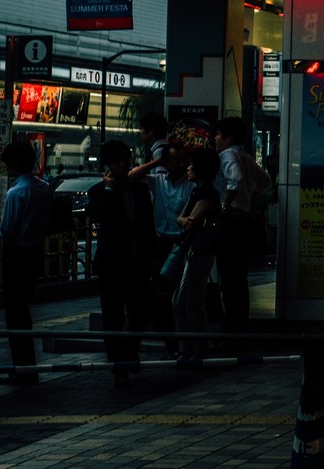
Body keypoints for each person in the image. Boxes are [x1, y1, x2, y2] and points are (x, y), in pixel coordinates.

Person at [87, 140, 157, 387]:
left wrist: (151, 257)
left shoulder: (139, 189)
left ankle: (129, 351)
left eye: (125, 159)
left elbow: (148, 225)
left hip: (136, 260)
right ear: (108, 163)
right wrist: (107, 190)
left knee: (139, 312)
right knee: (112, 314)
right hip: (112, 262)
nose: (123, 164)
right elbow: (99, 216)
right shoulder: (98, 191)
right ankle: (118, 363)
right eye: (117, 160)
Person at [0, 140, 53, 386]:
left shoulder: (16, 193)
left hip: (15, 255)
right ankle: (27, 366)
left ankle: (22, 368)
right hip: (35, 252)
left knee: (14, 313)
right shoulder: (44, 188)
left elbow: (7, 230)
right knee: (23, 310)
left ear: (15, 164)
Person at [136, 142, 192, 355]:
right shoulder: (158, 181)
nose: (177, 165)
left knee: (178, 294)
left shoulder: (190, 184)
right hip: (161, 241)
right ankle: (171, 340)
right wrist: (158, 161)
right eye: (172, 160)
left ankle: (183, 342)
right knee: (159, 294)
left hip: (181, 242)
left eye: (181, 160)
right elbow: (132, 176)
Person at [171, 147, 222, 361]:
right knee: (186, 300)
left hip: (198, 252)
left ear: (200, 168)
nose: (188, 167)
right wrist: (183, 220)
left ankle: (195, 348)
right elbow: (183, 219)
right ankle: (192, 347)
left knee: (188, 301)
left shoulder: (207, 193)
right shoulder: (198, 191)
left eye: (192, 164)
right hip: (195, 251)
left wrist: (183, 221)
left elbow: (188, 221)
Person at [213, 116, 258, 353]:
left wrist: (226, 206)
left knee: (229, 282)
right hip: (244, 221)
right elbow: (265, 180)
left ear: (228, 138)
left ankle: (231, 336)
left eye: (217, 135)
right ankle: (239, 333)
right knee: (239, 282)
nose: (215, 139)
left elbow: (236, 179)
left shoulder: (228, 155)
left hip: (231, 222)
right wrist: (248, 199)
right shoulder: (247, 157)